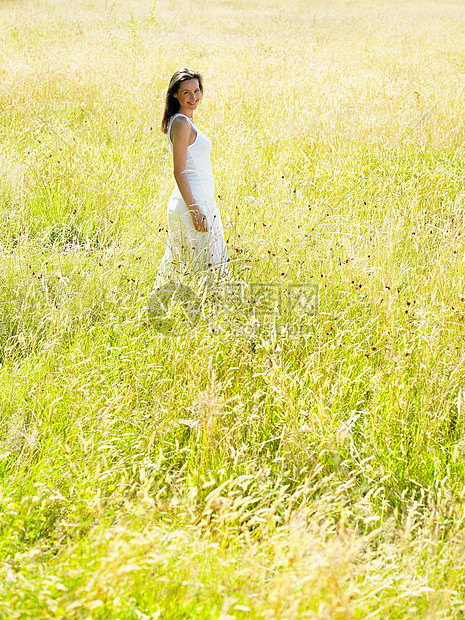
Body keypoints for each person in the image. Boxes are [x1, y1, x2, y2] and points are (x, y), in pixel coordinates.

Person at [154, 68, 229, 290]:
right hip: (193, 203)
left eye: (197, 91)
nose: (193, 97)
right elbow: (179, 171)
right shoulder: (182, 123)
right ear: (175, 94)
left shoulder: (185, 121)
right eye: (186, 92)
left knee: (195, 267)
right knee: (209, 269)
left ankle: (189, 311)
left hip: (199, 199)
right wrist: (195, 210)